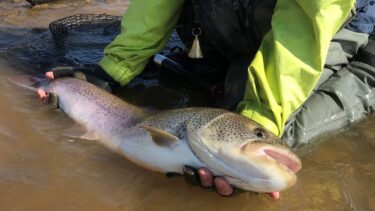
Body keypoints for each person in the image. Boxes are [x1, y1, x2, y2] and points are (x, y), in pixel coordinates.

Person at [45, 0, 375, 199]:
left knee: (281, 132)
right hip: (250, 24)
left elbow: (303, 24)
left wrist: (259, 119)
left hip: (330, 26)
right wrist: (114, 68)